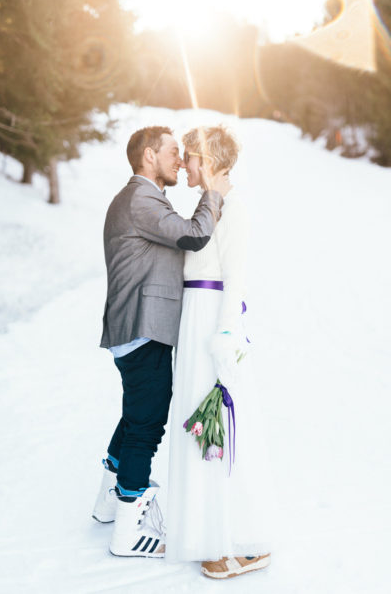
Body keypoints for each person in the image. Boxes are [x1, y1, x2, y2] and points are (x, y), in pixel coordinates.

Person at [94, 126, 231, 557]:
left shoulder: (141, 198)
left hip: (136, 326)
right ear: (149, 155)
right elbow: (194, 234)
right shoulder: (141, 198)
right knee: (147, 425)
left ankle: (108, 502)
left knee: (136, 414)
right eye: (173, 152)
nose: (179, 159)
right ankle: (129, 531)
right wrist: (214, 193)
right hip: (142, 325)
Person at [165, 126, 271, 578]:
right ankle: (205, 531)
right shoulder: (205, 207)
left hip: (212, 325)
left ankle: (230, 541)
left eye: (189, 157)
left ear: (208, 161)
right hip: (194, 322)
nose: (184, 165)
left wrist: (226, 336)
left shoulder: (235, 211)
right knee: (194, 424)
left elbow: (236, 279)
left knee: (218, 429)